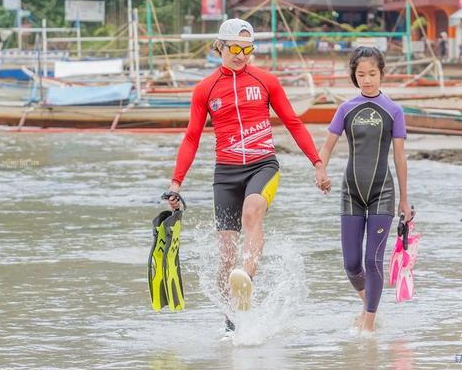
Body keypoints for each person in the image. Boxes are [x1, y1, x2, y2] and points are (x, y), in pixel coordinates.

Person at [166, 18, 329, 330]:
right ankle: (231, 321)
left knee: (252, 212)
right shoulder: (205, 89)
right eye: (234, 48)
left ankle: (247, 276)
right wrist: (176, 182)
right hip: (225, 173)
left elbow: (293, 122)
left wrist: (317, 163)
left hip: (262, 166)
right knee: (226, 254)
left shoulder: (266, 81)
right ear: (220, 47)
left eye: (247, 49)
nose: (241, 55)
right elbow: (191, 137)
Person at [317, 46, 412, 334]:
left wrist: (405, 201)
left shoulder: (393, 110)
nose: (367, 79)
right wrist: (320, 170)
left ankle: (369, 323)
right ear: (354, 76)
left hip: (382, 192)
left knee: (373, 260)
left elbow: (399, 156)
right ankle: (368, 303)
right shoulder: (346, 109)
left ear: (382, 74)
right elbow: (328, 145)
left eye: (372, 73)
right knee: (351, 264)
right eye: (361, 74)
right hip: (351, 192)